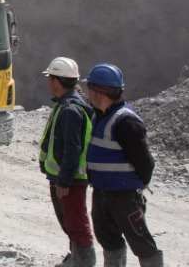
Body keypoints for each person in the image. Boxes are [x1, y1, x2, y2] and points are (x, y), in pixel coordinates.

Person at [84, 64, 162, 267]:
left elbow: (145, 163)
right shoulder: (99, 115)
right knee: (108, 239)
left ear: (99, 92)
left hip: (124, 196)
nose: (87, 93)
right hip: (101, 192)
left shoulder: (126, 122)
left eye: (89, 88)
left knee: (141, 242)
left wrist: (137, 184)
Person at [39, 56, 96, 267]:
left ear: (56, 81)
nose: (48, 83)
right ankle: (76, 259)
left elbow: (73, 148)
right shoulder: (71, 103)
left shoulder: (71, 109)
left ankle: (84, 262)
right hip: (68, 178)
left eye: (50, 78)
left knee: (76, 224)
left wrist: (64, 180)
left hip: (70, 180)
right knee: (71, 223)